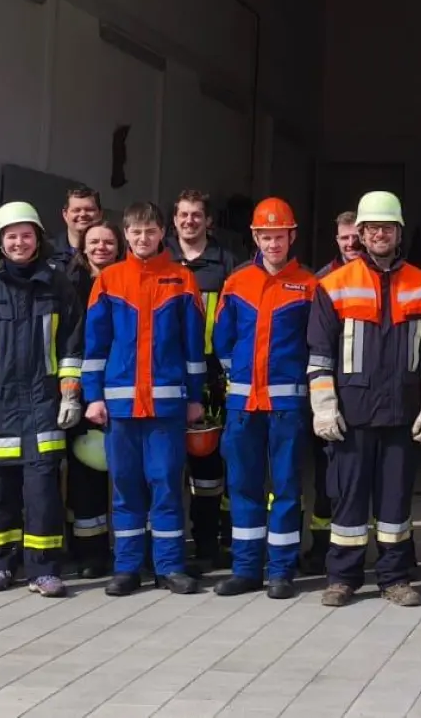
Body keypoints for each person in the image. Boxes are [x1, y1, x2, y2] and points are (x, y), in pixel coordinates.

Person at [306, 191, 421, 608]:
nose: (380, 234)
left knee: (396, 503)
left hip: (401, 413)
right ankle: (342, 578)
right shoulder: (333, 286)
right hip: (352, 414)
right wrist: (324, 408)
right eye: (372, 228)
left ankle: (394, 578)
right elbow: (319, 355)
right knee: (348, 499)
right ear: (360, 234)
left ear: (399, 232)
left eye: (388, 227)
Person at [0, 202, 86, 597]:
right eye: (11, 236)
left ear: (38, 238)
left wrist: (70, 394)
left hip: (43, 403)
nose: (19, 242)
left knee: (42, 491)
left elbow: (72, 344)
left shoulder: (58, 286)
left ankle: (43, 570)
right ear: (0, 243)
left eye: (26, 235)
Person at [83, 201, 207, 596]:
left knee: (167, 483)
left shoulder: (181, 280)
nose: (142, 238)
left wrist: (195, 397)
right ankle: (127, 568)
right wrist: (93, 396)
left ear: (161, 234)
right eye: (135, 232)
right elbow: (95, 345)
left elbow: (193, 348)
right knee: (125, 485)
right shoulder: (109, 280)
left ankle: (170, 567)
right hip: (119, 406)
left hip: (167, 406)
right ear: (126, 235)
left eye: (150, 232)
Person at [213, 198, 317, 599]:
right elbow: (222, 339)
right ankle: (246, 569)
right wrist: (237, 377)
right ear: (255, 237)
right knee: (243, 487)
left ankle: (281, 571)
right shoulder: (237, 283)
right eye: (266, 236)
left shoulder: (309, 287)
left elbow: (316, 345)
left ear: (292, 237)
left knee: (287, 488)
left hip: (287, 407)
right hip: (243, 407)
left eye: (279, 236)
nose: (273, 243)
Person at [167, 189, 240, 570]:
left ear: (208, 221)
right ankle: (166, 547)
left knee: (209, 468)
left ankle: (208, 543)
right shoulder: (160, 259)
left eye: (197, 215)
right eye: (183, 215)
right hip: (164, 378)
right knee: (164, 469)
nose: (189, 221)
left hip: (211, 382)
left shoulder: (227, 263)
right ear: (174, 218)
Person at [303, 209, 362, 573]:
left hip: (367, 394)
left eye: (357, 235)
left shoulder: (384, 279)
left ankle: (375, 552)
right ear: (336, 239)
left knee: (369, 478)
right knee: (327, 478)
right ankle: (320, 549)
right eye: (345, 237)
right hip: (330, 392)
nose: (351, 243)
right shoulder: (321, 281)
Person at [65, 220, 123, 578]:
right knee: (84, 475)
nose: (101, 247)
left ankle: (128, 550)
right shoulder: (67, 284)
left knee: (126, 476)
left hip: (121, 386)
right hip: (82, 388)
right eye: (94, 242)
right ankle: (89, 553)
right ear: (83, 247)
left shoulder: (128, 280)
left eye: (108, 242)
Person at [49, 187, 104, 275]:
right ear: (65, 214)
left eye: (89, 210)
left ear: (100, 214)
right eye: (76, 210)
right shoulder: (47, 251)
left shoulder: (112, 252)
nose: (83, 214)